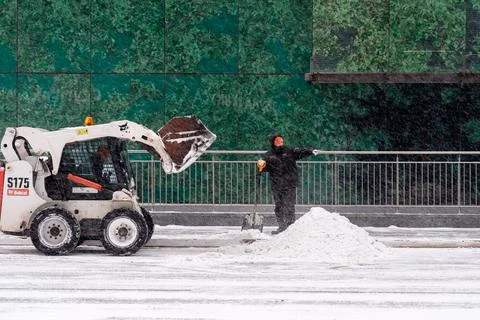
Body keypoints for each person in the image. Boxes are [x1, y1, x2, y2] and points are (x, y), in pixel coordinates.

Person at [257, 134, 320, 234]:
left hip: (289, 182)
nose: (280, 143)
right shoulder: (268, 155)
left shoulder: (289, 151)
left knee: (289, 205)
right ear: (273, 143)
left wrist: (311, 151)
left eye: (281, 141)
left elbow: (300, 151)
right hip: (276, 184)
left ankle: (290, 227)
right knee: (279, 205)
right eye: (277, 141)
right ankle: (282, 226)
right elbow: (265, 168)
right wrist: (261, 166)